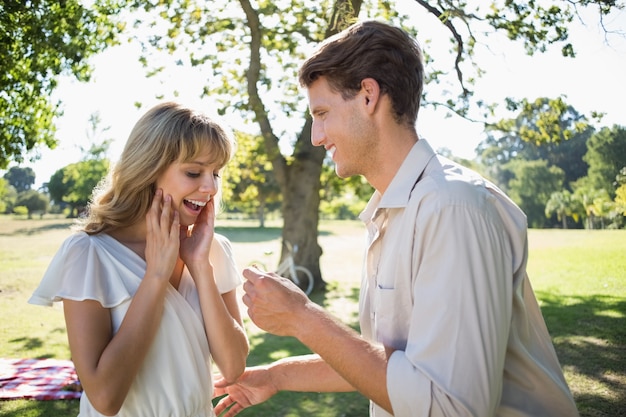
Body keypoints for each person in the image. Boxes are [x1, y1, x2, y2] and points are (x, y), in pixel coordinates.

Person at [213, 20, 579, 417]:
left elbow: (449, 407)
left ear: (368, 96)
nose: (316, 137)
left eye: (322, 113)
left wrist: (303, 318)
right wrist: (279, 376)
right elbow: (396, 366)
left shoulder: (452, 208)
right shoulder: (396, 210)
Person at [29, 102, 249, 417]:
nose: (211, 187)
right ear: (149, 168)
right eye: (193, 171)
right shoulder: (88, 254)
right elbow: (105, 398)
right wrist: (156, 276)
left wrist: (200, 267)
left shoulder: (213, 250)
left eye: (216, 173)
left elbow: (233, 366)